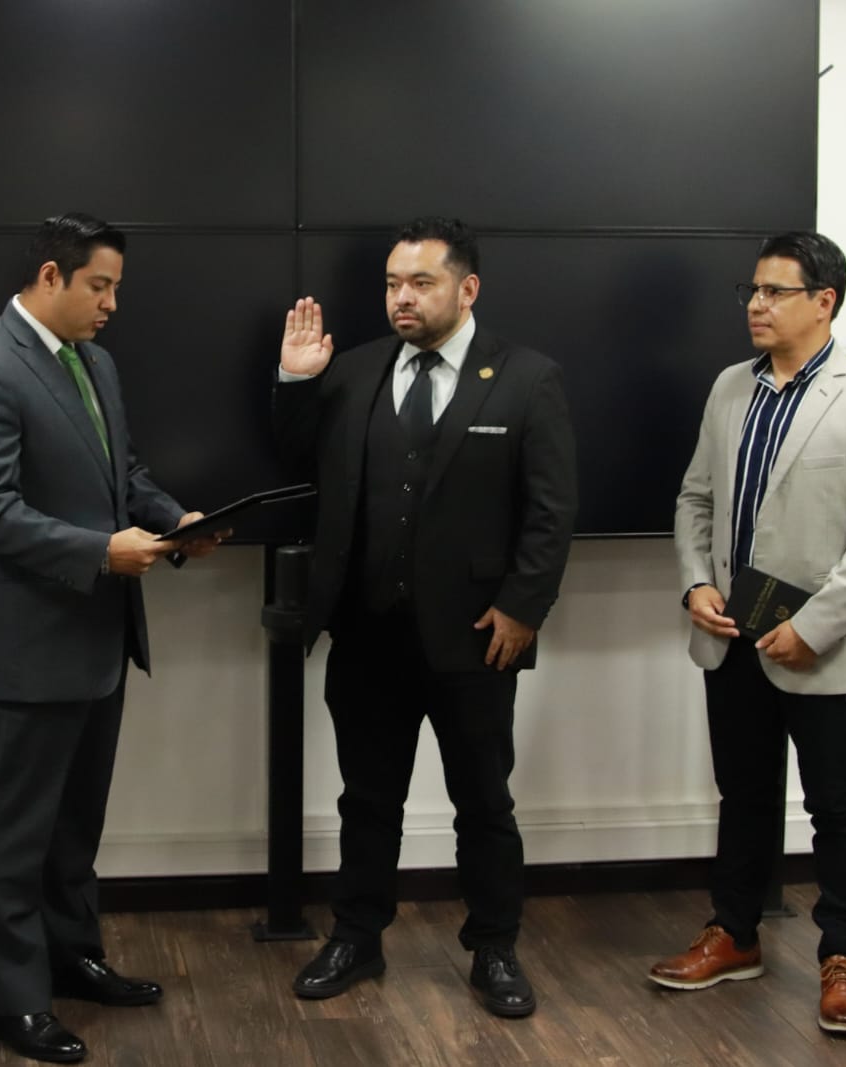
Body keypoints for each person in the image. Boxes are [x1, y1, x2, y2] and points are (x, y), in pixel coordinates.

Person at [273, 216, 578, 1017]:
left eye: (420, 283)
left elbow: (551, 512)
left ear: (466, 288)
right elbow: (295, 460)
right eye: (391, 284)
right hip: (367, 632)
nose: (401, 298)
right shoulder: (354, 370)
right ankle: (356, 936)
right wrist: (296, 381)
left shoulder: (526, 377)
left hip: (478, 636)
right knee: (367, 798)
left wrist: (523, 606)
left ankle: (495, 946)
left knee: (484, 801)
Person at [0, 212, 221, 1064]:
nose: (111, 305)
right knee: (16, 833)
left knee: (75, 825)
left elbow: (120, 474)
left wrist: (176, 520)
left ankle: (73, 957)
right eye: (100, 286)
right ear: (51, 276)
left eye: (116, 288)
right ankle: (16, 1002)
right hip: (31, 647)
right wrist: (101, 551)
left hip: (99, 639)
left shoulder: (94, 362)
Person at [651, 231, 846, 1035]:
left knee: (837, 805)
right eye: (753, 291)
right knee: (743, 794)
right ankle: (734, 932)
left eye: (775, 292)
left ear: (824, 301)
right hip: (731, 632)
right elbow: (696, 498)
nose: (756, 305)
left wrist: (814, 624)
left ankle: (843, 960)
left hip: (820, 645)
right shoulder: (730, 388)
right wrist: (695, 581)